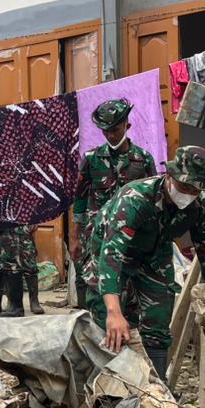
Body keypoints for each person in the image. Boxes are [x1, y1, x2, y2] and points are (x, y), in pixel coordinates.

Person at [86, 145, 205, 381]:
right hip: (115, 253)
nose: (189, 193)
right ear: (169, 176)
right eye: (184, 186)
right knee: (111, 322)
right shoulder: (135, 200)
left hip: (155, 255)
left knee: (157, 323)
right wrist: (114, 311)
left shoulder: (198, 206)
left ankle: (156, 390)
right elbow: (112, 254)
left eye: (195, 188)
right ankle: (104, 387)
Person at [71, 99, 156, 308]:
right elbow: (80, 199)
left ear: (127, 126)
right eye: (105, 131)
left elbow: (154, 202)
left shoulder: (143, 159)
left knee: (130, 282)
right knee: (92, 280)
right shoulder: (91, 159)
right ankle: (91, 322)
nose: (110, 135)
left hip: (131, 234)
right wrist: (74, 237)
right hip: (95, 234)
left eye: (115, 129)